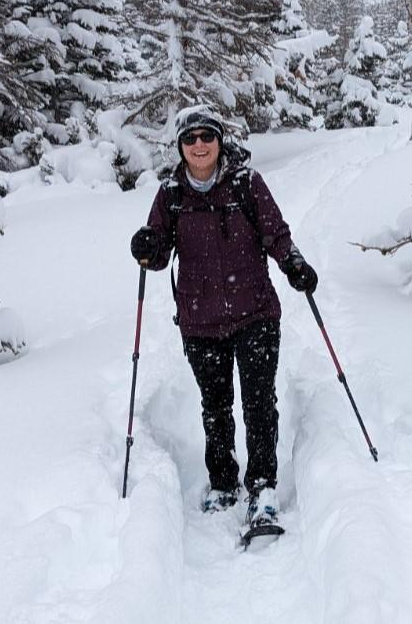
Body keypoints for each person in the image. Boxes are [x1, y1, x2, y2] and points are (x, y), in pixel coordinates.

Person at [130, 106, 318, 528]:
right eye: (191, 138)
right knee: (215, 407)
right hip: (201, 321)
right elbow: (157, 254)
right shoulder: (171, 195)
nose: (199, 145)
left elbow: (276, 234)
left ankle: (263, 485)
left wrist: (294, 264)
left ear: (219, 140)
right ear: (181, 146)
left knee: (258, 403)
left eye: (206, 136)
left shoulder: (246, 184)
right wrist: (146, 246)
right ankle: (222, 482)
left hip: (256, 314)